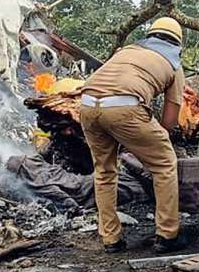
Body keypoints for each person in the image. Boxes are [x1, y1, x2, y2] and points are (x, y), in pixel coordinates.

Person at [79, 17, 186, 254]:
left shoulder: (127, 50)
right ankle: (168, 234)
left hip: (86, 104)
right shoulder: (173, 63)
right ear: (178, 42)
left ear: (150, 35)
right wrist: (146, 139)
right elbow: (170, 121)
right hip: (125, 108)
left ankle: (111, 239)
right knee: (165, 164)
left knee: (104, 171)